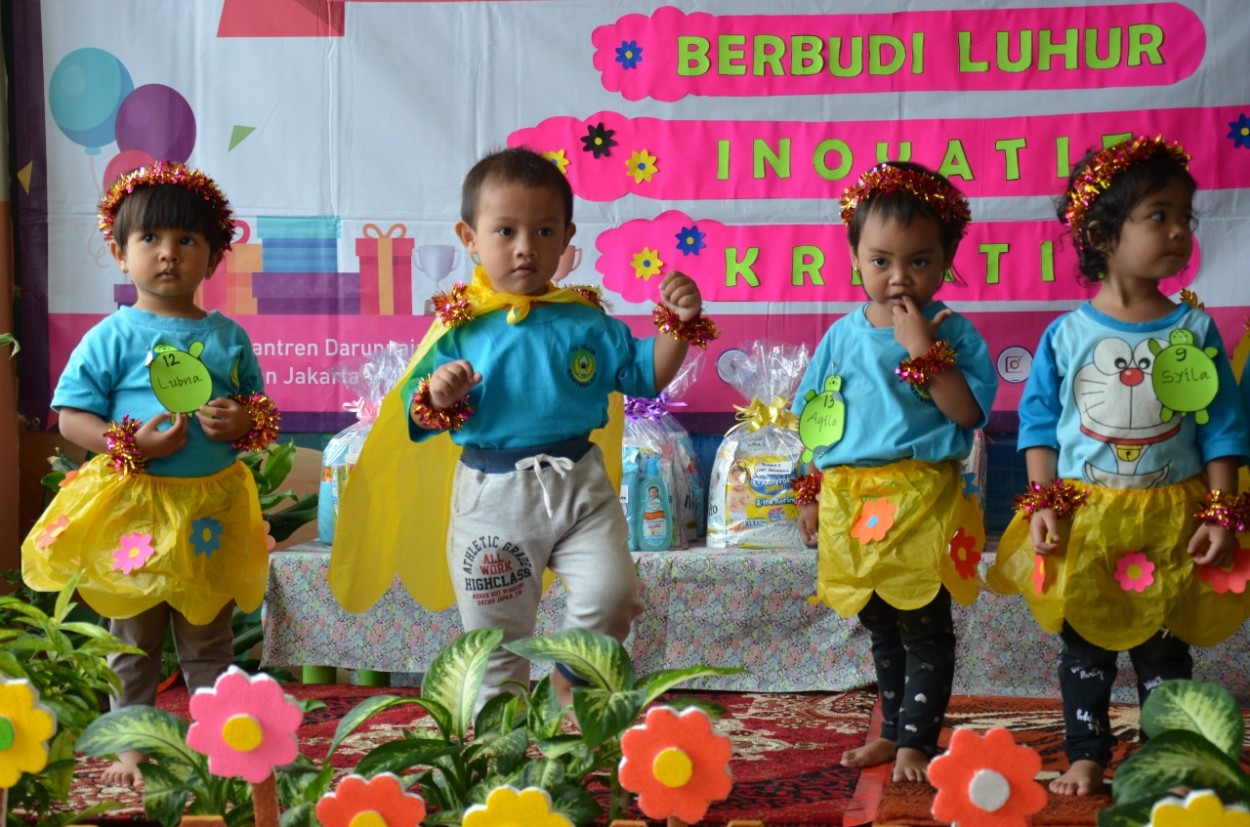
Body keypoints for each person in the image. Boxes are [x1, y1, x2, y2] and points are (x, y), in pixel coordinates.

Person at [329, 146, 716, 708]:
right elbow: (419, 415)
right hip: (493, 500)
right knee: (497, 645)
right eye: (505, 230)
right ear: (469, 237)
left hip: (580, 485)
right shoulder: (461, 328)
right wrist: (439, 393)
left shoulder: (586, 321)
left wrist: (680, 326)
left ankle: (572, 676)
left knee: (613, 595)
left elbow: (644, 374)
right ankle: (496, 755)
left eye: (542, 231)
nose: (525, 248)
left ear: (566, 238)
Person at [986, 136, 1250, 796]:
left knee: (1164, 646)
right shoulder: (1067, 335)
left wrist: (1222, 513)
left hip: (1171, 520)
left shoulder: (1194, 330)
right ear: (1103, 233)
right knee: (1086, 646)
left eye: (1185, 217)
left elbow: (1222, 425)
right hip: (1090, 519)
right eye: (1158, 215)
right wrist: (1042, 500)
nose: (1179, 231)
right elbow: (1039, 426)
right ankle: (1086, 754)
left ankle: (1167, 753)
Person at [21, 162, 278, 786]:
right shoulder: (112, 336)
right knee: (131, 639)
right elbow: (69, 419)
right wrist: (128, 443)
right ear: (120, 251)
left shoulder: (228, 336)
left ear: (214, 257)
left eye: (187, 241)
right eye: (151, 240)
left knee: (208, 640)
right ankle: (130, 745)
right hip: (136, 508)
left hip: (208, 513)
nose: (169, 254)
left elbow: (259, 412)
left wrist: (238, 421)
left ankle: (220, 744)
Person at [791, 161, 998, 782]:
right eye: (880, 261)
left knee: (925, 623)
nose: (899, 277)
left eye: (919, 261)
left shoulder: (951, 332)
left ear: (947, 259)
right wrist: (808, 491)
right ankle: (890, 733)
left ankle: (916, 741)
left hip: (923, 501)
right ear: (854, 257)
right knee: (879, 621)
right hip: (852, 503)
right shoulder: (839, 336)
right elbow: (817, 420)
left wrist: (921, 350)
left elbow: (967, 412)